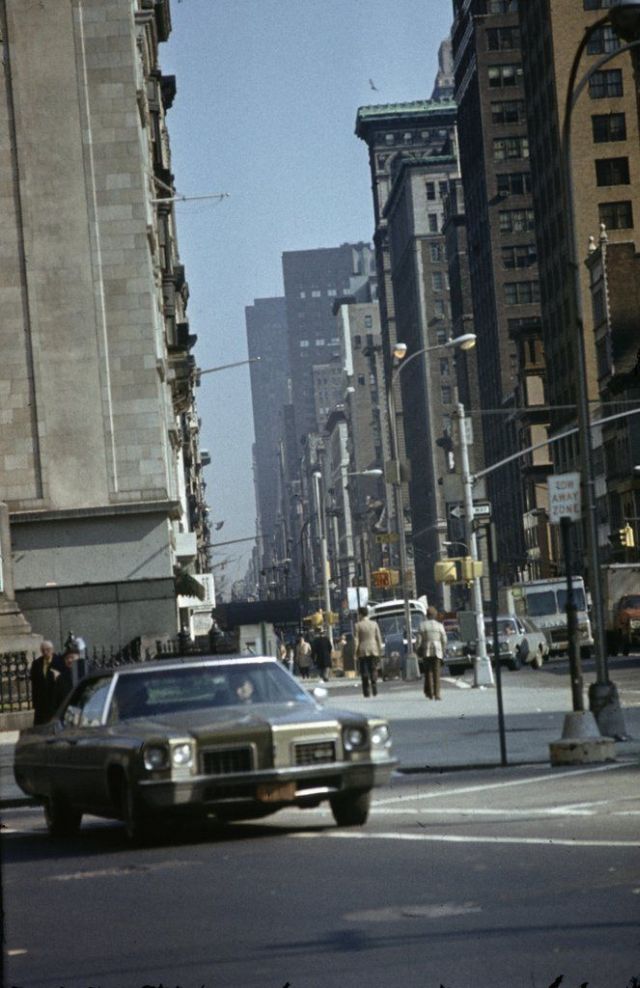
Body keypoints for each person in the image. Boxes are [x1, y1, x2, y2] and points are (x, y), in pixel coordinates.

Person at [417, 605, 448, 701]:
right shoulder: (440, 626)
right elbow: (444, 640)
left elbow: (419, 640)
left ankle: (430, 693)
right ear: (435, 615)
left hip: (426, 650)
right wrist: (443, 650)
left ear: (427, 615)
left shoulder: (422, 625)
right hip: (437, 651)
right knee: (436, 673)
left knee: (428, 673)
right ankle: (437, 694)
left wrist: (418, 649)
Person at [29, 640, 61, 725]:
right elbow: (34, 684)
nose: (45, 652)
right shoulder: (36, 663)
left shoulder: (59, 662)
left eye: (48, 649)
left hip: (54, 701)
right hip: (41, 703)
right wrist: (35, 702)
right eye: (43, 650)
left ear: (52, 649)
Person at [354, 606, 383, 698]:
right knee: (373, 668)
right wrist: (380, 649)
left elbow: (356, 640)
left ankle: (366, 691)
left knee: (364, 671)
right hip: (374, 649)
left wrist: (355, 652)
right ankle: (374, 685)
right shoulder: (374, 624)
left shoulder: (357, 625)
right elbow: (378, 638)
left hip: (362, 650)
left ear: (360, 614)